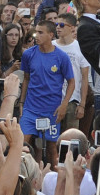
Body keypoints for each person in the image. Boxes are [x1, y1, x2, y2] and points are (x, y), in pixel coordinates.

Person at [19, 20, 75, 167]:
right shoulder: (28, 54)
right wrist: (21, 103)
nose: (37, 35)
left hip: (52, 110)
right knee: (21, 145)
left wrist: (64, 105)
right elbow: (26, 79)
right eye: (36, 31)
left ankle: (57, 183)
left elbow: (71, 82)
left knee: (52, 149)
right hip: (31, 109)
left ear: (51, 35)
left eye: (41, 32)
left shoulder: (61, 57)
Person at [53, 13, 90, 131]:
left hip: (72, 101)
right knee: (49, 139)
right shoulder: (51, 45)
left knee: (70, 138)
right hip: (52, 99)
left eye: (62, 25)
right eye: (56, 24)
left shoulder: (80, 47)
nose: (58, 27)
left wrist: (82, 104)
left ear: (72, 28)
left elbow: (84, 78)